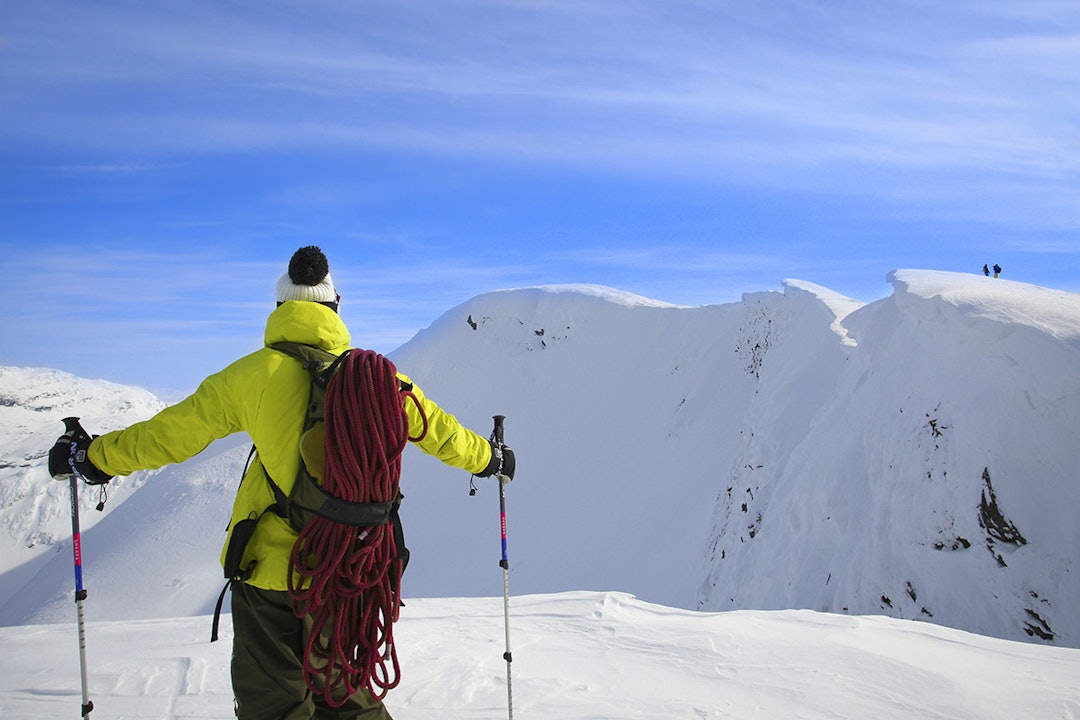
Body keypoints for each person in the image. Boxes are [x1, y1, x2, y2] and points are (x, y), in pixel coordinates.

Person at [51, 246, 515, 719]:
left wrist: (93, 459)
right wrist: (489, 459)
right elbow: (441, 432)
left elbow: (168, 436)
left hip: (269, 575)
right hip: (348, 571)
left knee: (275, 707)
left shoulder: (251, 375)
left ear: (280, 309)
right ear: (335, 307)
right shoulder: (377, 378)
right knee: (349, 700)